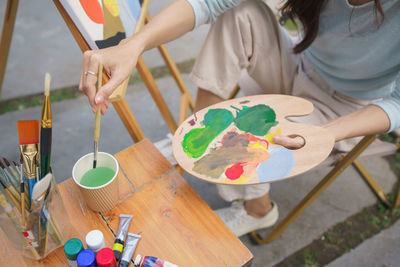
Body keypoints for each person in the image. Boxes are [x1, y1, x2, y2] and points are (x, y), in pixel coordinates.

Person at [79, 0, 400, 237]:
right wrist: (133, 46)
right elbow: (209, 3)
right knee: (240, 12)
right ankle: (204, 134)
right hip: (299, 61)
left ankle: (257, 209)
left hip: (346, 107)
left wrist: (328, 132)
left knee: (261, 131)